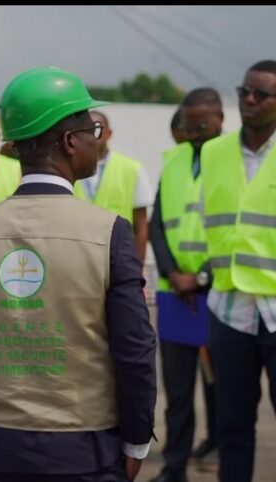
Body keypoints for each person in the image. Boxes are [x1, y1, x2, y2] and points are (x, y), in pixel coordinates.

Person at [0, 66, 157, 482]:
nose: (97, 143)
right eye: (92, 132)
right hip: (88, 451)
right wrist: (136, 440)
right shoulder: (110, 233)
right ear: (69, 142)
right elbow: (135, 351)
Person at [201, 59, 276, 482]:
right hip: (229, 308)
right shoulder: (213, 152)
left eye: (262, 94)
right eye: (244, 91)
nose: (249, 100)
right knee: (232, 426)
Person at [148, 88, 224, 482]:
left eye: (201, 125)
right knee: (177, 392)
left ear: (220, 120)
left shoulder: (232, 162)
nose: (193, 132)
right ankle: (174, 468)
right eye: (187, 125)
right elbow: (158, 223)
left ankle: (225, 455)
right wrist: (173, 273)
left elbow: (238, 227)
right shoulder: (174, 160)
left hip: (219, 294)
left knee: (223, 387)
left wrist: (202, 276)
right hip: (176, 294)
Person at [73, 111, 153, 263]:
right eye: (85, 131)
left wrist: (138, 271)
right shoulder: (67, 169)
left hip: (118, 260)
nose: (91, 136)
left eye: (96, 130)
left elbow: (141, 227)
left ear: (109, 133)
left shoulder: (132, 169)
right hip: (78, 260)